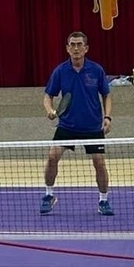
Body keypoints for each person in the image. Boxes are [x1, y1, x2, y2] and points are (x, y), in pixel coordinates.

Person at [40, 31, 114, 216]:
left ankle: (103, 200)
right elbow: (48, 96)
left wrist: (107, 117)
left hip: (92, 126)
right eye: (72, 44)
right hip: (67, 125)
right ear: (67, 48)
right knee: (51, 157)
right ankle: (49, 195)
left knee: (99, 163)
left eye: (79, 44)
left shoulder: (96, 70)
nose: (76, 48)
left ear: (86, 48)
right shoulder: (60, 71)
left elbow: (106, 95)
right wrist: (49, 110)